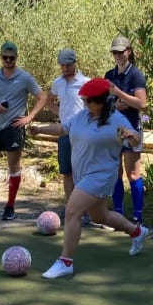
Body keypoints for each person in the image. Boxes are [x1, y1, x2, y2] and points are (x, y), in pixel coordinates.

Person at [28, 77, 148, 278]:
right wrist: (40, 129)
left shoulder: (117, 120)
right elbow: (63, 129)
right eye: (84, 100)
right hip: (83, 174)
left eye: (89, 101)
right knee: (99, 216)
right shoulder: (83, 115)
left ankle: (65, 262)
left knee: (72, 210)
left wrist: (130, 135)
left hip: (101, 176)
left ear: (103, 101)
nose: (85, 103)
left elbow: (135, 138)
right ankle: (137, 232)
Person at [0, 42, 47, 222]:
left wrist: (29, 118)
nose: (8, 60)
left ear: (16, 58)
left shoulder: (25, 77)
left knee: (14, 167)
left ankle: (10, 207)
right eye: (5, 57)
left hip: (14, 128)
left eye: (11, 58)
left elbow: (42, 97)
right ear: (0, 57)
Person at [104, 35, 148, 224]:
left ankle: (138, 216)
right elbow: (105, 102)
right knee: (115, 173)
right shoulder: (109, 75)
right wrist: (116, 104)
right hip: (113, 129)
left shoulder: (136, 75)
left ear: (128, 51)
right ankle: (118, 213)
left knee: (133, 174)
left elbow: (142, 103)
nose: (118, 55)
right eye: (115, 52)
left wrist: (120, 95)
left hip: (132, 129)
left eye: (121, 52)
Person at [47, 48, 89, 202]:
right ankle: (70, 206)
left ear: (75, 63)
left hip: (82, 133)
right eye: (62, 65)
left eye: (68, 65)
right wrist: (61, 114)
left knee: (82, 172)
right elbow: (49, 100)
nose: (65, 69)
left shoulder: (85, 82)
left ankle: (84, 207)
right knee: (67, 171)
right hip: (64, 132)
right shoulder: (57, 83)